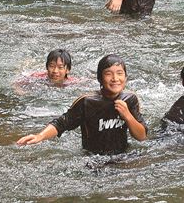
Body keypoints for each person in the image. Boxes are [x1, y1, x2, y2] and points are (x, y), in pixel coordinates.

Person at [17, 54, 147, 155]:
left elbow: (141, 136)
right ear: (100, 79)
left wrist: (128, 116)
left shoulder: (130, 99)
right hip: (94, 159)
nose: (115, 78)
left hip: (123, 156)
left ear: (126, 78)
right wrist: (40, 136)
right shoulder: (87, 102)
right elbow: (62, 123)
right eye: (108, 74)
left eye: (120, 73)